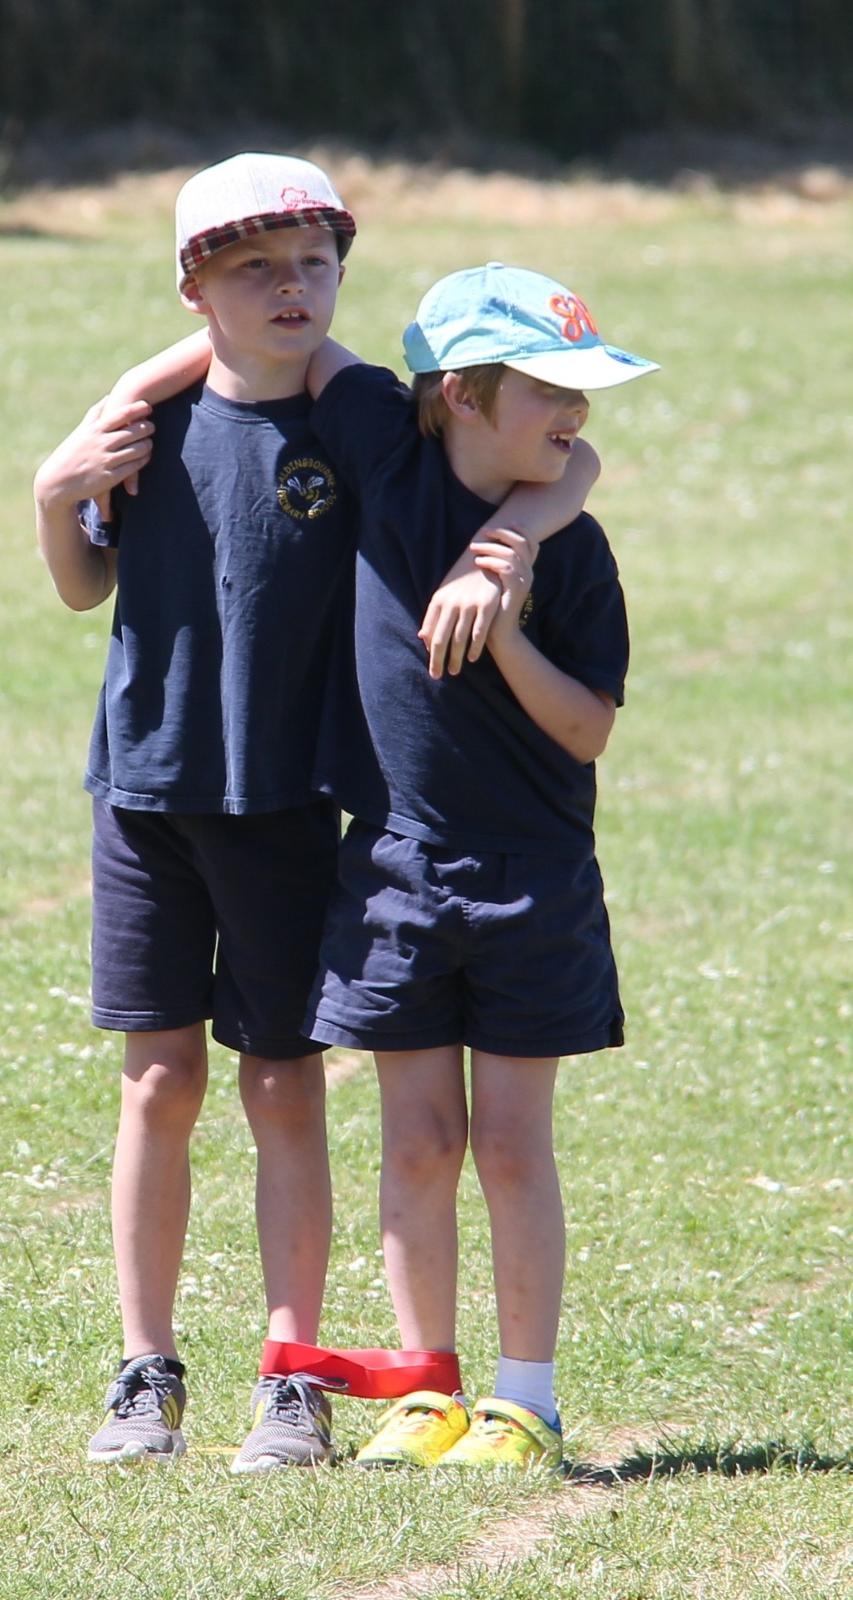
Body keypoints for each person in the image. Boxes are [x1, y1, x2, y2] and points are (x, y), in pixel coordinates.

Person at [32, 149, 597, 1473]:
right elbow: (78, 583)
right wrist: (57, 484)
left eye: (313, 264)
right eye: (252, 269)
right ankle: (145, 1368)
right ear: (193, 285)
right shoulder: (143, 425)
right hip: (144, 793)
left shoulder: (364, 423)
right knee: (157, 1081)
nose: (290, 289)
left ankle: (291, 1375)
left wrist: (511, 543)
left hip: (290, 805)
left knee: (282, 1082)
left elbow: (561, 456)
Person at [299, 263, 658, 1470]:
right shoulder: (384, 460)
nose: (575, 413)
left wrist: (505, 607)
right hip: (392, 869)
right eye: (549, 388)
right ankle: (424, 1387)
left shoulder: (574, 547)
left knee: (508, 1144)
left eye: (581, 391)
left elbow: (587, 728)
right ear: (457, 393)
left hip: (531, 880)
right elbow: (290, 341)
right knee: (414, 1141)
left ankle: (523, 1402)